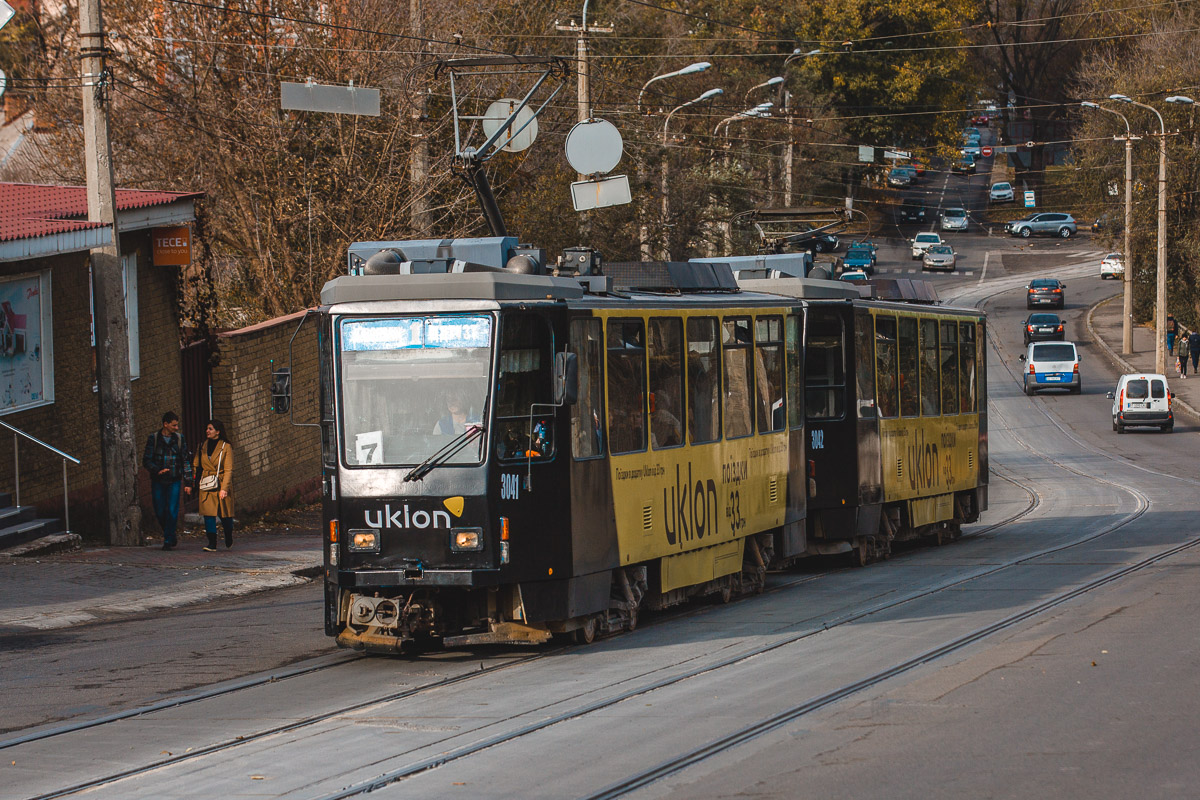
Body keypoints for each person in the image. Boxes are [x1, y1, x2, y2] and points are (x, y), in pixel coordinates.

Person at [143, 411, 192, 550]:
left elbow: (185, 461)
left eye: (177, 425)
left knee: (172, 509)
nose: (176, 428)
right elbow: (146, 460)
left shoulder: (179, 439)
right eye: (174, 425)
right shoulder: (154, 439)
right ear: (165, 424)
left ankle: (168, 540)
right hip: (158, 480)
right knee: (159, 510)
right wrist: (157, 470)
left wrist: (188, 482)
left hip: (174, 479)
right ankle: (170, 533)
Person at [194, 419, 234, 552]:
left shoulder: (226, 447)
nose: (207, 431)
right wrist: (195, 482)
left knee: (224, 514)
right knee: (208, 514)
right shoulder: (202, 446)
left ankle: (228, 534)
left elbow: (228, 469)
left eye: (210, 429)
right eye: (207, 428)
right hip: (207, 482)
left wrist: (224, 488)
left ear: (218, 431)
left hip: (220, 481)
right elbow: (197, 465)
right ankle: (212, 542)